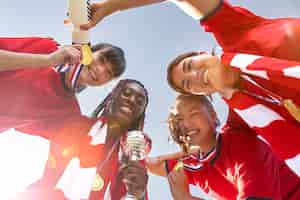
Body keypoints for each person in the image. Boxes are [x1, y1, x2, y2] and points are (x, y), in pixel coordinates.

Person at [146, 94, 300, 200]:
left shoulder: (237, 130)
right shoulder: (193, 166)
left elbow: (239, 85)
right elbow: (148, 165)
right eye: (179, 119)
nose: (185, 124)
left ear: (213, 115)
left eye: (193, 113)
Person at [19, 79, 150, 200]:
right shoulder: (75, 124)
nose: (132, 100)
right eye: (126, 93)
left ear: (140, 114)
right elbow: (25, 119)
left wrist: (140, 194)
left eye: (139, 102)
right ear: (112, 97)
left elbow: (133, 193)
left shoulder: (132, 157)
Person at [166, 50, 300, 160]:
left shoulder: (242, 47)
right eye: (188, 85)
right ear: (201, 93)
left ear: (203, 53)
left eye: (189, 65)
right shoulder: (240, 116)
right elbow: (216, 145)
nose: (195, 75)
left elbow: (209, 18)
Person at [80, 0, 300, 62]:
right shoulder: (248, 108)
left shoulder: (235, 36)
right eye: (187, 85)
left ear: (205, 55)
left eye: (189, 66)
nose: (196, 78)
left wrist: (111, 6)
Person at [0, 37, 125, 139]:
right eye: (101, 60)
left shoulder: (69, 112)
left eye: (108, 73)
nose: (100, 70)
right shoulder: (48, 48)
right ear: (88, 52)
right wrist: (48, 60)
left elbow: (78, 148)